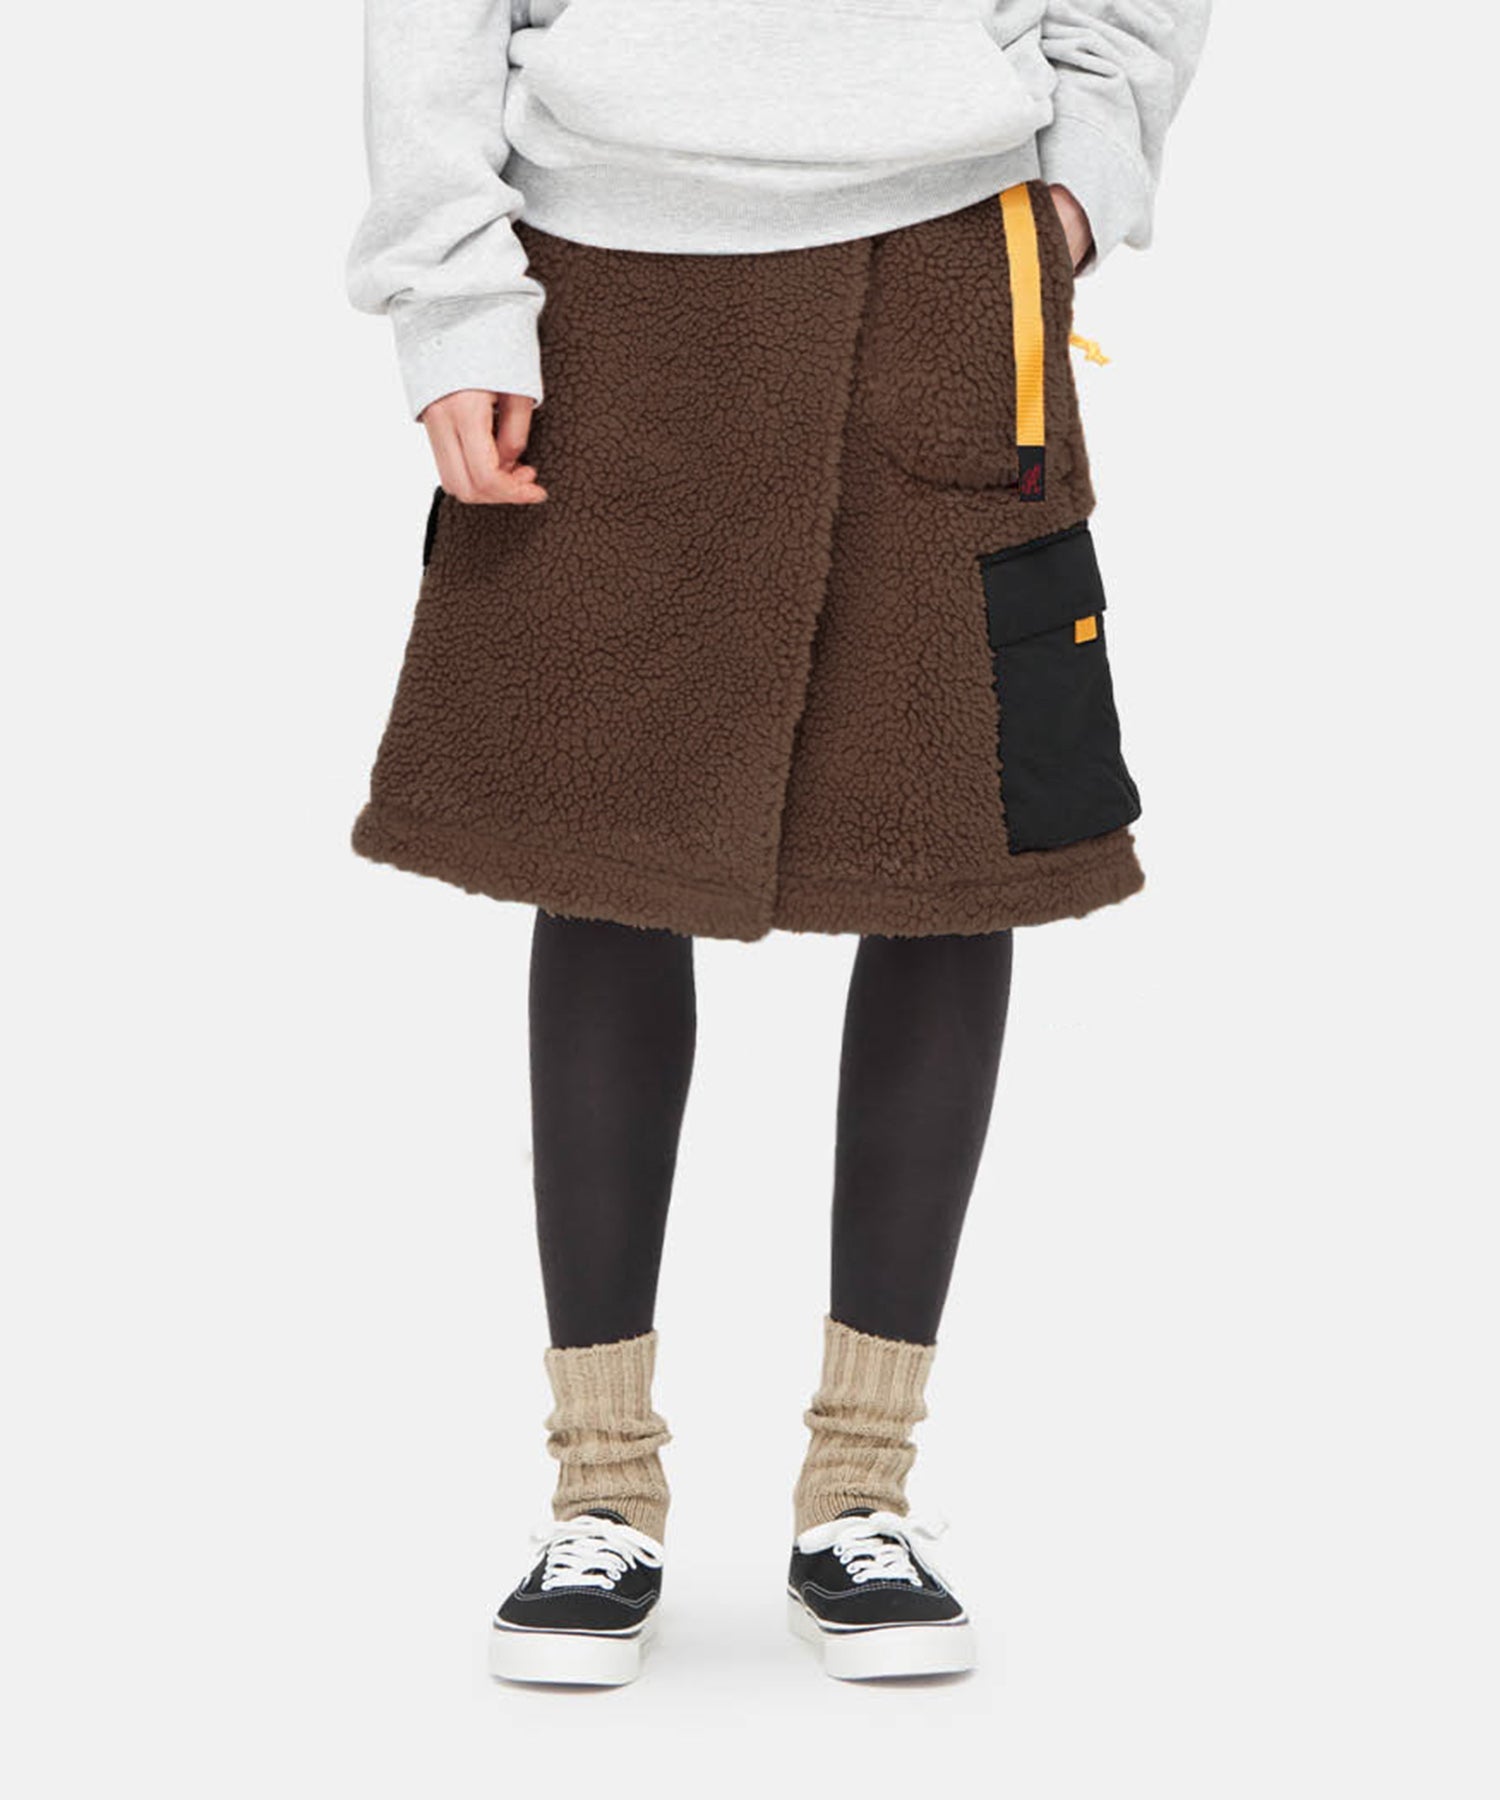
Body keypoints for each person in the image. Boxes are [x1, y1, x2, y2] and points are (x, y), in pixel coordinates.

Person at [349, 0, 1209, 1687]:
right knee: (604, 859)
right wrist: (452, 298)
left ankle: (862, 1491)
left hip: (949, 253)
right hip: (606, 274)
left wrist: (1086, 174)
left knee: (949, 861)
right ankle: (601, 1491)